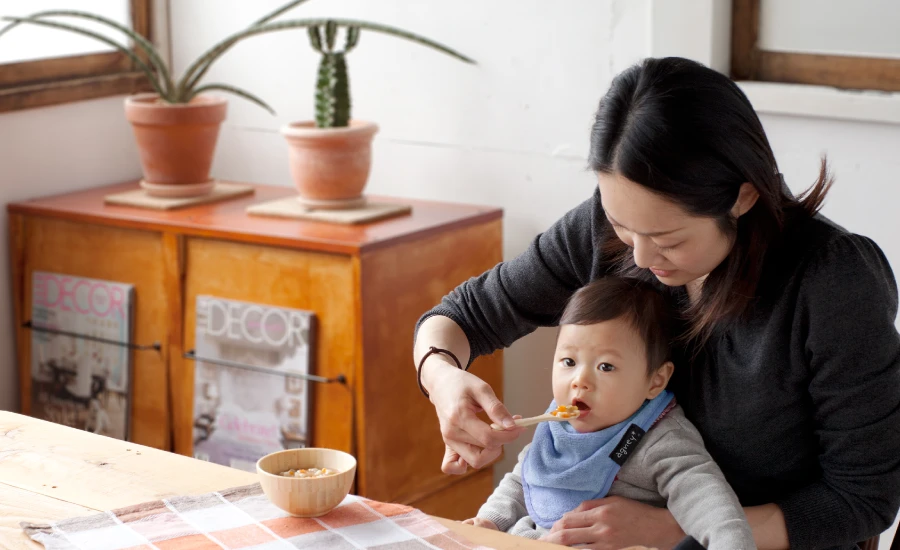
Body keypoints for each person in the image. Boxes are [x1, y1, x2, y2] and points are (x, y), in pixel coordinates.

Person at [413, 56, 900, 550]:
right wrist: (442, 377)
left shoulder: (833, 281)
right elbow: (459, 318)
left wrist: (677, 526)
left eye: (667, 238)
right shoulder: (603, 232)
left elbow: (863, 499)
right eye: (623, 226)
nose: (640, 257)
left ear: (742, 197)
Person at [463, 277, 756, 549]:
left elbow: (709, 503)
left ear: (655, 381)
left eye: (606, 367)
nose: (580, 380)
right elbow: (525, 480)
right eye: (568, 361)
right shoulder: (557, 424)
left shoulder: (660, 440)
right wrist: (489, 521)